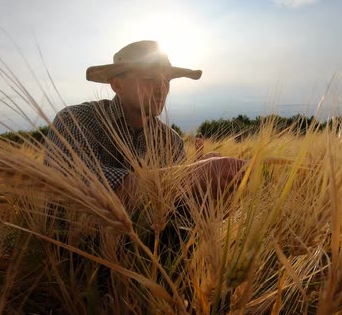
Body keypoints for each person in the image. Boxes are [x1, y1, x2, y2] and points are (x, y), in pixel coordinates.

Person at [44, 40, 245, 211]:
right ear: (117, 85)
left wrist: (207, 193)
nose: (161, 89)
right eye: (149, 79)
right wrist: (190, 176)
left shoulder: (171, 140)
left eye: (166, 80)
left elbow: (175, 213)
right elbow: (76, 189)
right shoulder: (76, 120)